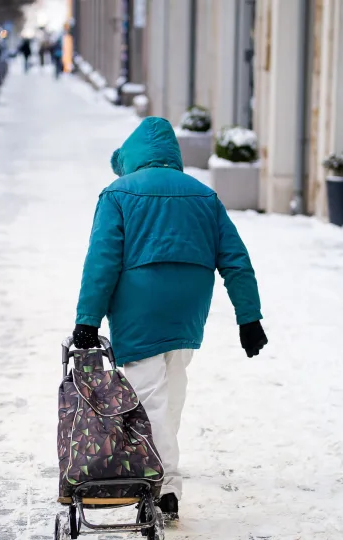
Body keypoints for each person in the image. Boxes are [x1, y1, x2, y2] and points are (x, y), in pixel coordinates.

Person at [73, 117, 267, 521]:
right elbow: (236, 260)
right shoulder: (204, 195)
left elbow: (102, 261)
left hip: (138, 308)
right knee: (171, 390)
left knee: (147, 397)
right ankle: (164, 476)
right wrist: (249, 318)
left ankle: (163, 485)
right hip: (188, 309)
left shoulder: (118, 193)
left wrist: (88, 319)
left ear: (132, 157)